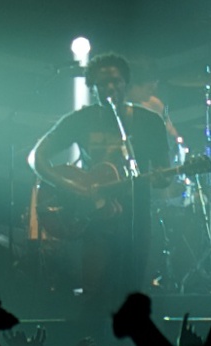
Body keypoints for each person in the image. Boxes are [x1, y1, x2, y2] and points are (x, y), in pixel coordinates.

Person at [27, 53, 186, 306]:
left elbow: (163, 174)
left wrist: (160, 179)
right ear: (93, 88)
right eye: (103, 84)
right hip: (97, 218)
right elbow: (36, 157)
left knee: (133, 298)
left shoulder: (150, 122)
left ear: (126, 83)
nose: (111, 88)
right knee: (96, 295)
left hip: (138, 219)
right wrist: (70, 185)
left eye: (116, 81)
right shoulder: (80, 119)